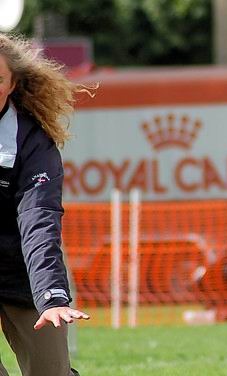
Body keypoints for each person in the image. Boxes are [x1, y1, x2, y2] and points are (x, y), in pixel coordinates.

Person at [0, 33, 90, 376]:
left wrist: (52, 298)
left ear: (13, 83)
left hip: (24, 269)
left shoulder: (33, 143)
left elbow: (38, 221)